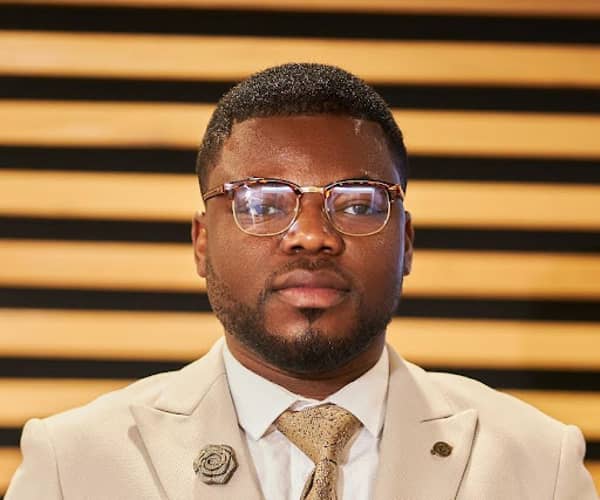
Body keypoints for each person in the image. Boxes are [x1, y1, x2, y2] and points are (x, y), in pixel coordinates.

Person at [6, 63, 597, 500]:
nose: (312, 236)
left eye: (358, 203)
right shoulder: (75, 464)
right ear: (202, 242)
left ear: (407, 243)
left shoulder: (537, 463)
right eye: (262, 203)